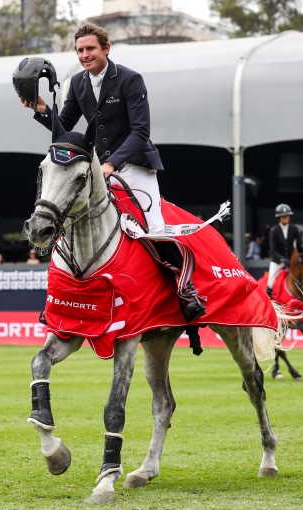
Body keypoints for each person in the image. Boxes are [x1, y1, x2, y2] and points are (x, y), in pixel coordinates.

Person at [20, 23, 204, 321]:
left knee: (153, 227)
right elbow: (66, 132)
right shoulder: (78, 83)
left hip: (135, 165)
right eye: (80, 50)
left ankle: (187, 290)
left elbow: (141, 131)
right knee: (70, 219)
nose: (85, 55)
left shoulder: (130, 79)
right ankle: (61, 298)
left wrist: (110, 164)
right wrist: (43, 111)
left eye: (90, 48)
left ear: (106, 48)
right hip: (100, 170)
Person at [266, 204, 299, 298]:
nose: (285, 218)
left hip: (291, 259)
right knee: (270, 282)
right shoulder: (274, 231)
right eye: (283, 216)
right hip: (277, 260)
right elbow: (273, 250)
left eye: (287, 216)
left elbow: (299, 244)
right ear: (279, 217)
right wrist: (283, 260)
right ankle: (269, 299)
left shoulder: (294, 229)